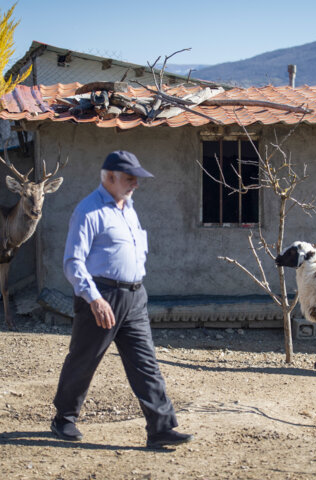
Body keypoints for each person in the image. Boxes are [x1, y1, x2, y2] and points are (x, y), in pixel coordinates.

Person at [51, 150, 193, 449]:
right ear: (110, 177)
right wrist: (94, 298)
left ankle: (160, 428)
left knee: (146, 363)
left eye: (136, 180)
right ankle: (64, 418)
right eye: (130, 179)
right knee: (84, 359)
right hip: (102, 297)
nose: (135, 185)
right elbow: (72, 262)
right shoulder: (88, 211)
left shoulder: (128, 208)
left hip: (134, 297)